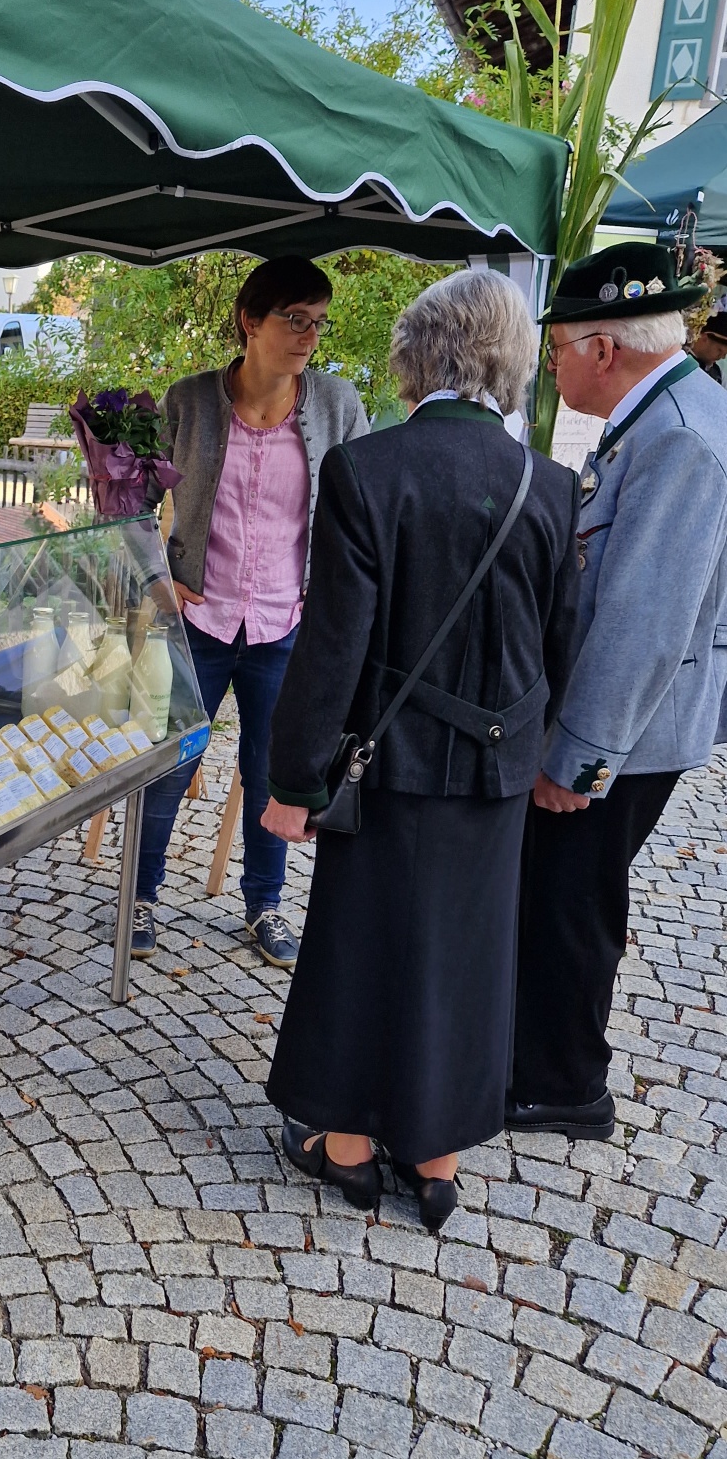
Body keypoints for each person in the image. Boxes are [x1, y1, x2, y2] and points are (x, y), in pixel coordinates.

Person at [260, 270, 581, 1231]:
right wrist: (538, 752)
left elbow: (333, 646)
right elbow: (561, 644)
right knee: (469, 960)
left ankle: (349, 1150)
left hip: (386, 768)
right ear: (510, 363)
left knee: (362, 945)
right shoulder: (550, 485)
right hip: (495, 775)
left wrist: (294, 780)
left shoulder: (367, 470)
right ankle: (436, 1164)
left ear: (416, 355)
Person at [509, 242, 727, 1139]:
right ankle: (539, 1061)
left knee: (572, 899)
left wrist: (579, 759)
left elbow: (644, 620)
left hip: (627, 730)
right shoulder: (666, 414)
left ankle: (564, 1086)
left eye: (558, 347)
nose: (552, 366)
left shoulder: (677, 434)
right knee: (564, 891)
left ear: (604, 348)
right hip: (633, 721)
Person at [135, 256, 369, 967]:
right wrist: (155, 577)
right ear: (249, 320)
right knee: (169, 762)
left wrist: (334, 594)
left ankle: (265, 904)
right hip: (198, 621)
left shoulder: (338, 405)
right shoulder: (188, 401)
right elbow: (128, 501)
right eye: (294, 319)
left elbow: (362, 513)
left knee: (275, 772)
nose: (309, 336)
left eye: (318, 322)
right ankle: (139, 896)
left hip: (285, 626)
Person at [688, 305, 727, 382]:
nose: (722, 357)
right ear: (704, 338)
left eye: (725, 354)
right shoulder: (681, 361)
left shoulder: (717, 373)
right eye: (719, 350)